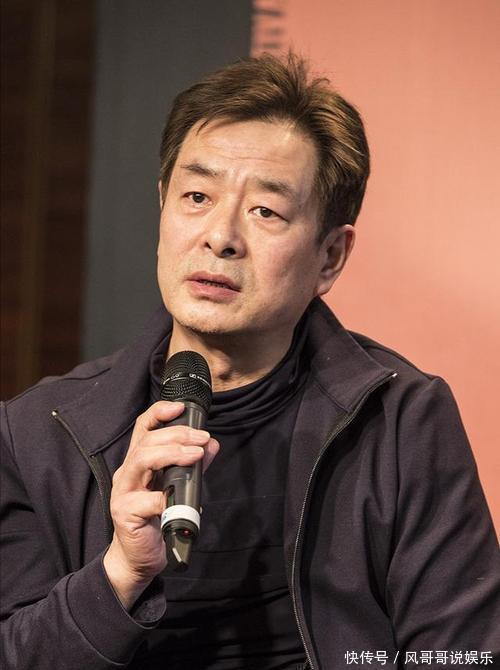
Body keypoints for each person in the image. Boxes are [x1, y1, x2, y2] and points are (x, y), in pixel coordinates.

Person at [1, 53, 498, 670]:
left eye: (266, 211)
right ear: (162, 206)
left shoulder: (402, 421)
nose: (220, 236)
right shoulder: (35, 434)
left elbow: (463, 654)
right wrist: (118, 575)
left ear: (330, 257)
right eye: (196, 196)